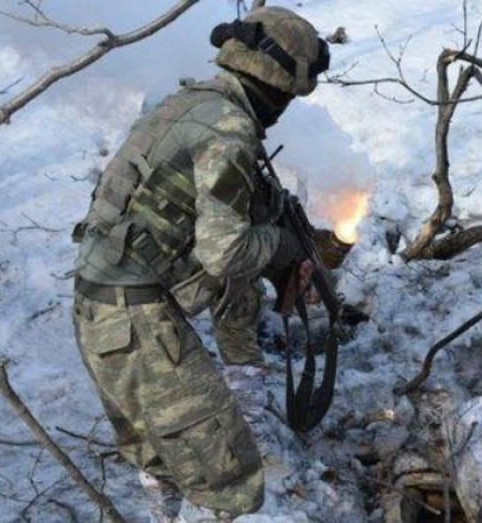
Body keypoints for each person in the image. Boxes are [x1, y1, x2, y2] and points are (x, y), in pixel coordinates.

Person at [70, 6, 330, 522]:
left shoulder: (187, 103)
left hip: (100, 311)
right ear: (279, 85)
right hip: (135, 321)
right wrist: (285, 246)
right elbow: (224, 251)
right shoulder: (229, 129)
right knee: (231, 482)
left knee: (165, 457)